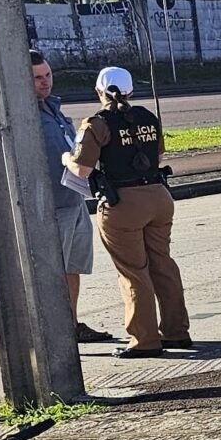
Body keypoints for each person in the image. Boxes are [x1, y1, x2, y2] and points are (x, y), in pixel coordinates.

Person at [66, 65, 190, 358]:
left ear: (99, 92)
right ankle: (176, 332)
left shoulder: (97, 123)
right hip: (159, 197)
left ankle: (144, 341)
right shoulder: (148, 116)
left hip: (122, 203)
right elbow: (158, 155)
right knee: (163, 265)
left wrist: (66, 159)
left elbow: (82, 169)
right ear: (131, 91)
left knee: (133, 271)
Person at [30, 50, 117, 344]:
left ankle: (71, 324)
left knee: (72, 268)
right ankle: (51, 330)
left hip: (75, 200)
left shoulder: (55, 109)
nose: (45, 83)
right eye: (38, 78)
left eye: (48, 75)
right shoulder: (26, 116)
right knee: (52, 271)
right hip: (52, 206)